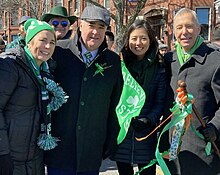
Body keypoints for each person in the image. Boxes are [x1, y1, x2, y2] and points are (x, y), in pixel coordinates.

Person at [44, 4, 123, 175]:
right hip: (60, 151)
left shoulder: (113, 61)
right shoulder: (58, 51)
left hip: (91, 152)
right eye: (91, 26)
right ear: (80, 24)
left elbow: (115, 106)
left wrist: (110, 141)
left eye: (101, 27)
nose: (95, 32)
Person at [0, 18, 67, 175]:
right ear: (29, 42)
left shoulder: (44, 71)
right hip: (10, 156)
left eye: (52, 42)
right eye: (42, 40)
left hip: (33, 157)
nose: (48, 46)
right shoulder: (11, 66)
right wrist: (2, 152)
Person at [164, 8, 220, 175]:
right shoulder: (169, 61)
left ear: (198, 29)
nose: (184, 32)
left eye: (189, 26)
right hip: (175, 153)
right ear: (173, 32)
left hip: (203, 152)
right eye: (179, 27)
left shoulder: (214, 60)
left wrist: (215, 127)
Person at [110, 19, 167, 175]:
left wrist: (149, 120)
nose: (138, 43)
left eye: (143, 38)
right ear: (128, 40)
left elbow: (160, 102)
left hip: (146, 134)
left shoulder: (160, 67)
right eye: (134, 38)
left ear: (150, 39)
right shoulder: (120, 65)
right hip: (123, 131)